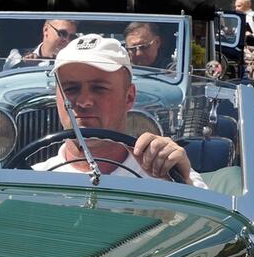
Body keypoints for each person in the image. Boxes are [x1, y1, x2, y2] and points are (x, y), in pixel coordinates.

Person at [31, 34, 206, 188]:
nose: (84, 102)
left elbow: (206, 224)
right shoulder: (33, 180)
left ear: (129, 97)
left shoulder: (167, 176)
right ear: (57, 98)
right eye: (70, 89)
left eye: (99, 88)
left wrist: (182, 186)